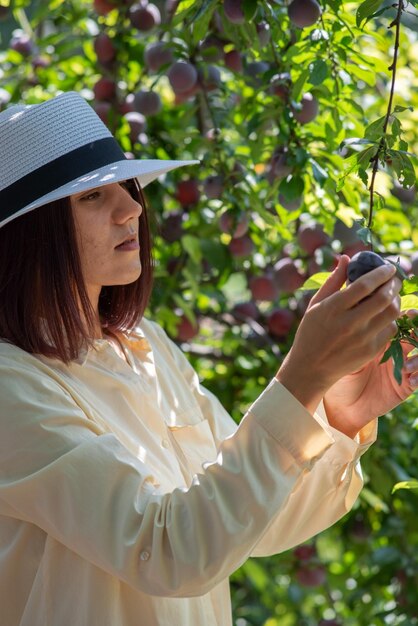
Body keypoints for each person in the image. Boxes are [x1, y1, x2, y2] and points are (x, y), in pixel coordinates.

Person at [0, 91, 415, 626]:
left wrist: (339, 411)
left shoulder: (146, 349)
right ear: (29, 235)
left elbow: (253, 525)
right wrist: (300, 375)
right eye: (91, 198)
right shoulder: (13, 389)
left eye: (124, 187)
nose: (131, 208)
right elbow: (169, 552)